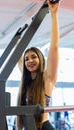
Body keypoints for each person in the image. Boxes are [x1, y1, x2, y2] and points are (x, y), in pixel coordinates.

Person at [17, 0, 60, 130]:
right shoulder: (27, 79)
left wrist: (54, 14)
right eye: (27, 59)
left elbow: (54, 47)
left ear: (41, 59)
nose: (30, 61)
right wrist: (17, 39)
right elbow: (18, 59)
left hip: (43, 127)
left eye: (34, 57)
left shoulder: (47, 79)